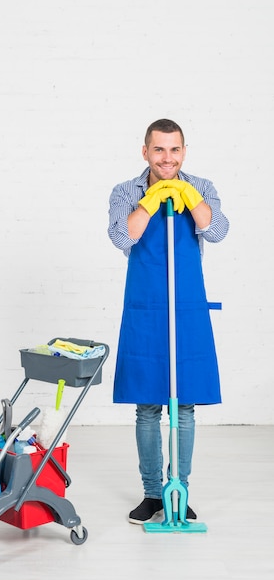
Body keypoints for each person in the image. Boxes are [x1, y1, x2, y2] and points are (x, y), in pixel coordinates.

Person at [108, 118, 229, 524]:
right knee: (147, 406)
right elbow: (123, 238)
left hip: (186, 308)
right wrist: (152, 199)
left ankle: (179, 488)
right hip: (146, 308)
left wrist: (187, 195)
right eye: (159, 150)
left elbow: (216, 230)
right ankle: (151, 494)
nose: (167, 157)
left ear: (184, 151)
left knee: (186, 407)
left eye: (174, 149)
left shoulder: (203, 186)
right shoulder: (126, 192)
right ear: (145, 152)